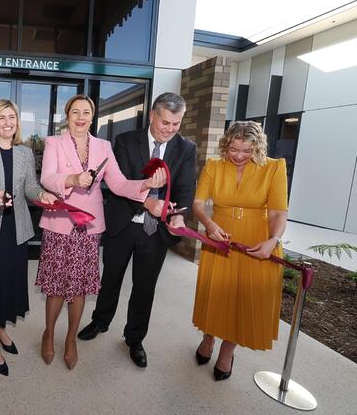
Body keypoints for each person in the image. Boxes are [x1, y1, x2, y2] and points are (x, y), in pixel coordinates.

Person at [36, 94, 166, 370]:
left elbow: (118, 184)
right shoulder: (53, 143)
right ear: (67, 115)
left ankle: (70, 338)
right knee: (56, 284)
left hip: (89, 226)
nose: (81, 117)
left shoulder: (103, 146)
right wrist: (72, 179)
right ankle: (49, 333)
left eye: (86, 112)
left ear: (92, 117)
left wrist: (144, 185)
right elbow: (47, 177)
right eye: (75, 112)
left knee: (81, 285)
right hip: (60, 223)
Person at [78, 92, 196, 369]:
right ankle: (100, 321)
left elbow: (186, 189)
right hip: (123, 223)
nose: (169, 129)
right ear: (153, 116)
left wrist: (178, 217)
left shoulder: (186, 148)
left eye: (176, 124)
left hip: (156, 231)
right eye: (165, 122)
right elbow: (119, 184)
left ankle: (134, 338)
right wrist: (147, 200)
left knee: (145, 287)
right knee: (111, 278)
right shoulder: (125, 141)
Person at [192, 121, 288, 381]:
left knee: (242, 297)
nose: (239, 155)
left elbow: (279, 211)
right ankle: (208, 337)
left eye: (246, 151)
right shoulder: (214, 166)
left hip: (256, 240)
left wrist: (273, 240)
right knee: (215, 291)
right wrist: (209, 223)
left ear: (257, 147)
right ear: (226, 144)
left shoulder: (274, 167)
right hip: (219, 237)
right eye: (234, 149)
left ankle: (227, 350)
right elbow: (198, 203)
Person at [0, 99, 57, 376]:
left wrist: (41, 194)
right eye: (2, 118)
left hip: (16, 229)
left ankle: (3, 330)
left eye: (12, 118)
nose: (8, 123)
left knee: (9, 283)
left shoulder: (25, 153)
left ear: (17, 123)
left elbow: (30, 186)